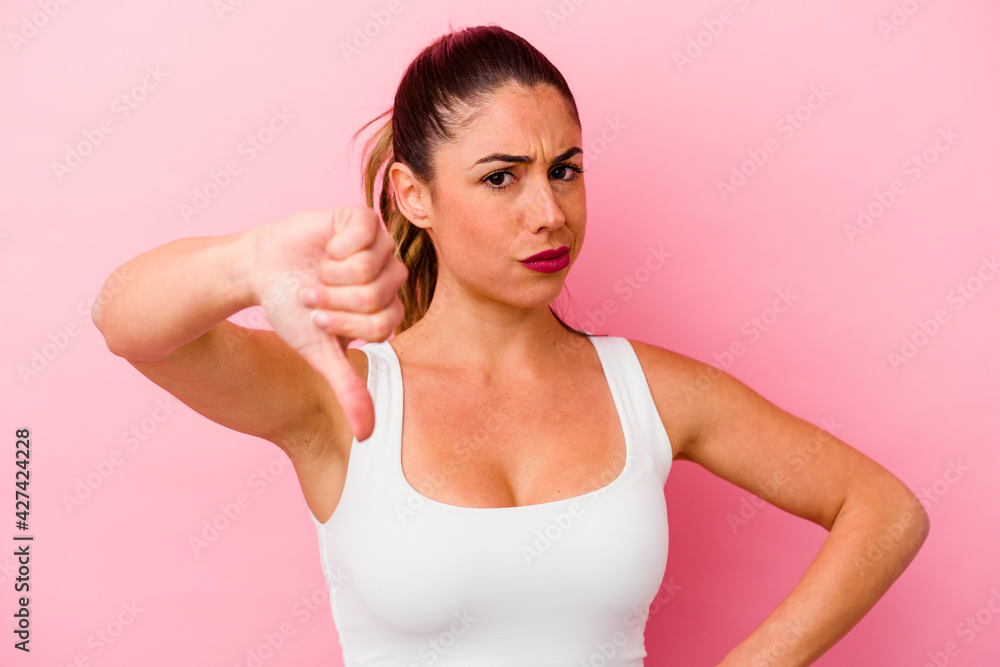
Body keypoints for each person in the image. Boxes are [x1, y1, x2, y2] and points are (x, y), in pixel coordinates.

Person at [92, 23, 929, 667]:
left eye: (564, 168)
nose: (548, 213)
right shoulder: (340, 398)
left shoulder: (653, 391)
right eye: (501, 178)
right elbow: (125, 322)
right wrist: (244, 263)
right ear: (413, 195)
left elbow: (885, 510)